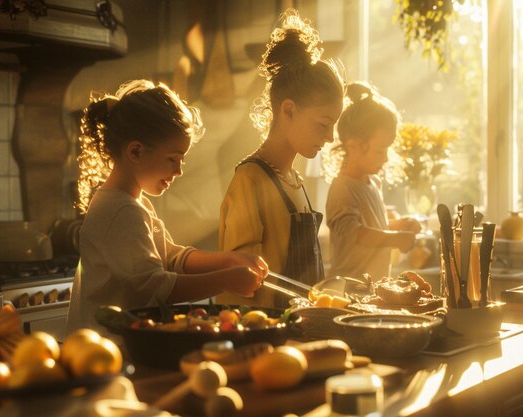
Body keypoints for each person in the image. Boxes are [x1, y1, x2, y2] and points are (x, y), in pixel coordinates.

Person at [67, 79, 268, 333]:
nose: (179, 170)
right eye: (172, 159)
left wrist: (227, 260)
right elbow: (155, 286)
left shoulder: (132, 202)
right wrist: (226, 280)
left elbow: (170, 258)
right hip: (108, 348)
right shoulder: (121, 210)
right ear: (136, 152)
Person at [218, 9, 345, 307]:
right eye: (323, 124)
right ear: (289, 111)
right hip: (266, 338)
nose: (329, 137)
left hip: (301, 333)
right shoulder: (249, 180)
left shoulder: (295, 182)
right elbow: (240, 290)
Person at [324, 81, 420, 281]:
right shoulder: (342, 188)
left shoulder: (372, 183)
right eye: (380, 150)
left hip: (372, 287)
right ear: (353, 145)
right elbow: (355, 233)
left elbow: (373, 226)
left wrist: (399, 225)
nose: (385, 158)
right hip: (349, 290)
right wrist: (396, 239)